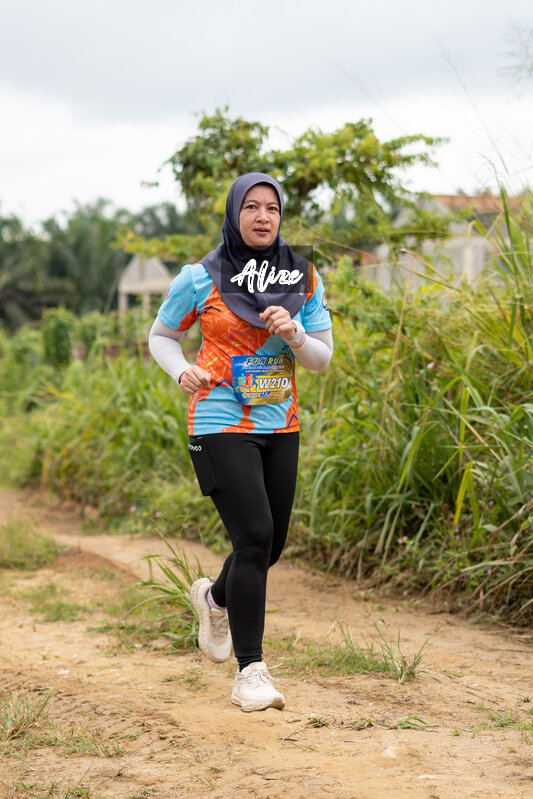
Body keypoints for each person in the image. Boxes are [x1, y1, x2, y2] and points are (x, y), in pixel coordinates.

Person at [149, 172, 333, 712]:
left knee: (269, 545)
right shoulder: (201, 276)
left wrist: (294, 333)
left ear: (281, 216)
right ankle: (251, 672)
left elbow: (321, 358)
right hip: (218, 420)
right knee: (253, 535)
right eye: (251, 206)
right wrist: (180, 369)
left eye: (271, 208)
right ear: (234, 214)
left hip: (280, 424)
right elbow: (162, 335)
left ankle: (214, 598)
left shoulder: (303, 277)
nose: (262, 216)